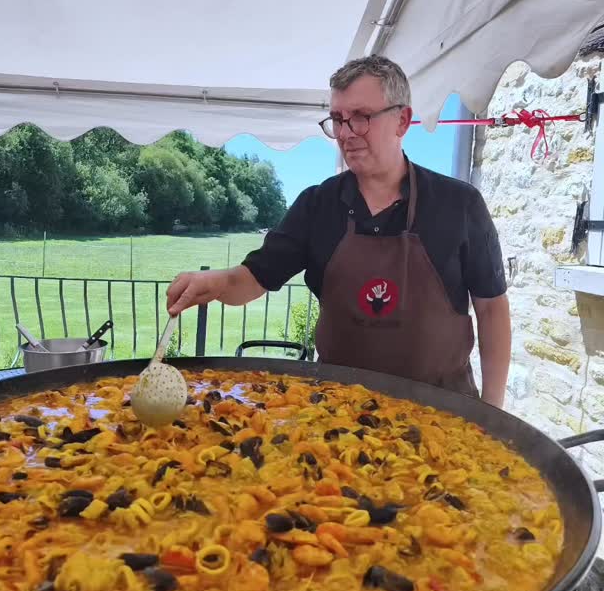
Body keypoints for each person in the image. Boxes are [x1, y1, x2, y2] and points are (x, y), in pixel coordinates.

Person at [166, 56, 511, 407]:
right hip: (337, 416)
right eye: (337, 119)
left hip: (444, 415)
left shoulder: (459, 205)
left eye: (360, 117)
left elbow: (492, 309)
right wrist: (216, 283)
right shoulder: (318, 206)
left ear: (402, 121)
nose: (346, 133)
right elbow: (253, 278)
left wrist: (495, 412)